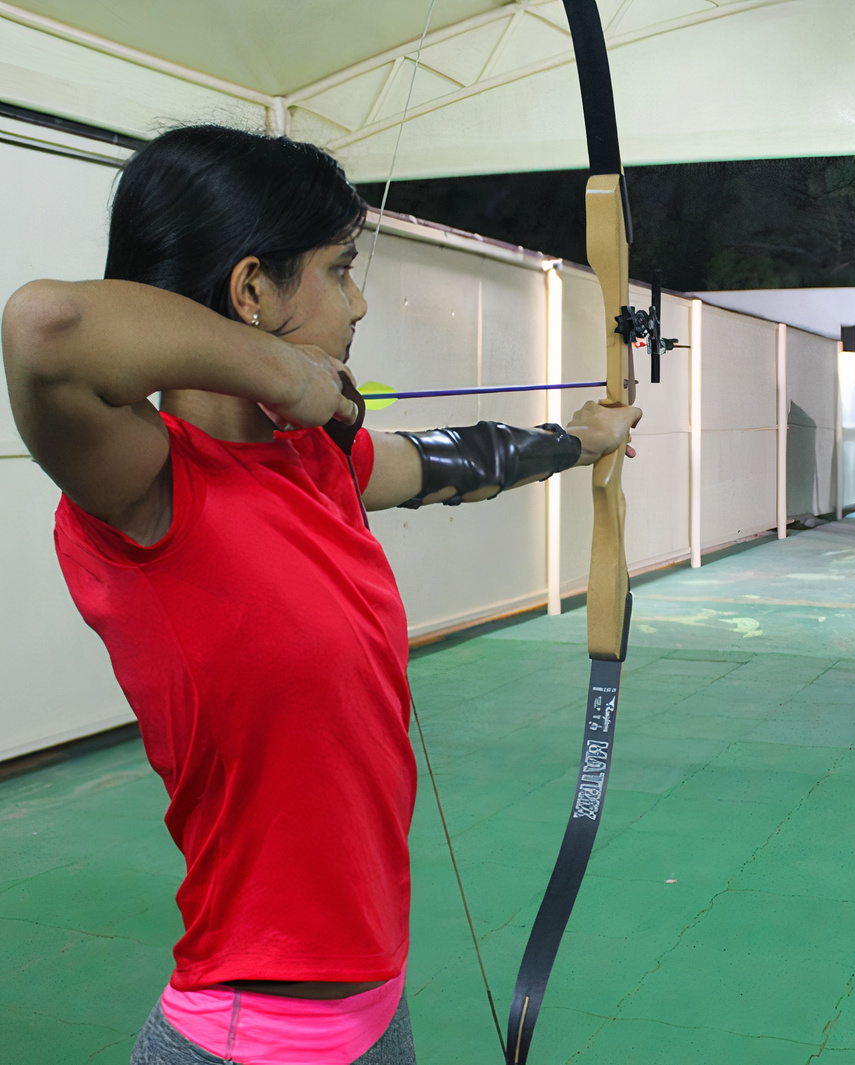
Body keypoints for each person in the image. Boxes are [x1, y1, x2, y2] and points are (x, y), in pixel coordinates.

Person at [1, 125, 640, 1065]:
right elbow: (45, 327)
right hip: (246, 1039)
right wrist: (280, 370)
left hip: (376, 1016)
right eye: (340, 269)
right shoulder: (147, 489)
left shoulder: (315, 458)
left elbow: (444, 464)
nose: (360, 300)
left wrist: (581, 438)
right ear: (252, 290)